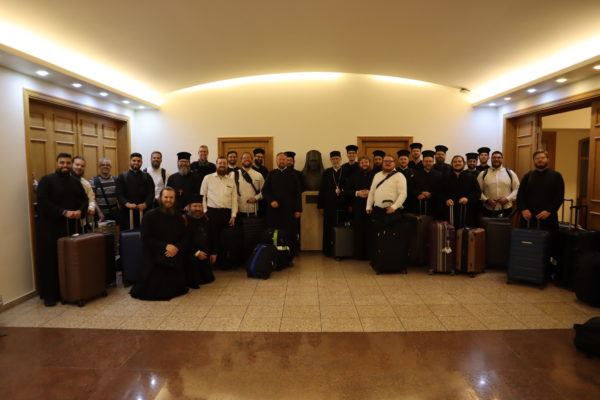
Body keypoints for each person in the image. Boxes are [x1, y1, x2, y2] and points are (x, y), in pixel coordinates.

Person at [36, 153, 88, 306]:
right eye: (62, 163)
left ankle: (72, 292)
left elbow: (84, 200)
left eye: (67, 163)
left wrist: (80, 211)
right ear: (57, 163)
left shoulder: (75, 182)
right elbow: (43, 202)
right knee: (51, 260)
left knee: (72, 260)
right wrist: (63, 212)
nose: (65, 166)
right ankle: (51, 295)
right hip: (51, 228)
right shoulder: (46, 180)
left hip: (71, 227)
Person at [130, 187, 188, 301]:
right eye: (166, 197)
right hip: (155, 254)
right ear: (160, 198)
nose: (168, 200)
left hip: (174, 254)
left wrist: (176, 248)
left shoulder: (179, 217)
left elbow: (185, 238)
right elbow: (145, 238)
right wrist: (165, 246)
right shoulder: (149, 216)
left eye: (171, 198)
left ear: (174, 199)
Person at [262, 152, 302, 255]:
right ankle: (274, 254)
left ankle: (289, 255)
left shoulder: (293, 174)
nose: (282, 161)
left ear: (286, 161)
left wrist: (298, 209)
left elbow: (298, 193)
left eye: (284, 159)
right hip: (274, 211)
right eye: (280, 159)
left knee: (289, 232)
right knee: (274, 233)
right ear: (276, 161)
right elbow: (265, 191)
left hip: (289, 210)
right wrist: (271, 201)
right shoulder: (271, 174)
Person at [200, 156, 238, 264]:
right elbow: (202, 196)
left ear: (227, 165)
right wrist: (205, 211)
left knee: (225, 238)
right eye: (220, 163)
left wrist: (233, 215)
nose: (222, 165)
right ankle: (212, 262)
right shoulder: (208, 178)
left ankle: (223, 262)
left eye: (224, 163)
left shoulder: (231, 180)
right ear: (216, 164)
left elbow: (234, 199)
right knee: (212, 237)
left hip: (227, 213)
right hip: (211, 212)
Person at [517, 150, 564, 232]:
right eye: (537, 158)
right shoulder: (527, 176)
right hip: (528, 217)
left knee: (549, 239)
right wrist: (523, 209)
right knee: (527, 239)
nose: (540, 160)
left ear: (547, 159)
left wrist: (549, 211)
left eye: (542, 158)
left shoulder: (556, 176)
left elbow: (559, 196)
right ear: (534, 160)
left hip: (549, 217)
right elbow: (520, 195)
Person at [318, 150, 349, 256]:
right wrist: (320, 206)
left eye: (337, 159)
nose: (335, 161)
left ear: (341, 159)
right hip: (328, 205)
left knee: (342, 227)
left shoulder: (346, 172)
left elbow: (350, 188)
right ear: (330, 160)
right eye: (333, 159)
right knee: (328, 228)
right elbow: (322, 190)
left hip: (343, 205)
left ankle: (341, 251)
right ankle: (328, 251)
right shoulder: (326, 173)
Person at [345, 156, 375, 259]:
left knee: (371, 230)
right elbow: (347, 191)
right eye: (362, 162)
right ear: (359, 164)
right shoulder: (354, 175)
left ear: (369, 163)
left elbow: (381, 189)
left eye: (366, 162)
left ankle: (370, 254)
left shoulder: (376, 175)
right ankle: (359, 254)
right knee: (358, 230)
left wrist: (370, 193)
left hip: (372, 207)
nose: (364, 164)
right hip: (357, 206)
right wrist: (358, 193)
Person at [366, 154, 407, 229]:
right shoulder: (377, 175)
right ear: (382, 162)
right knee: (377, 234)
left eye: (390, 161)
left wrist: (394, 207)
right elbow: (372, 192)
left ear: (394, 163)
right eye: (385, 161)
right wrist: (368, 206)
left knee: (391, 234)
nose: (387, 163)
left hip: (392, 211)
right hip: (377, 211)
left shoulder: (400, 176)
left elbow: (403, 194)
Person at [116, 153, 155, 229]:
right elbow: (119, 194)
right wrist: (127, 204)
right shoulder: (122, 176)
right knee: (128, 234)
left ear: (141, 162)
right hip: (127, 213)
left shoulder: (147, 176)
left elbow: (151, 193)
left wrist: (145, 204)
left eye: (139, 161)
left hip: (144, 212)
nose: (136, 162)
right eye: (134, 160)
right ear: (130, 161)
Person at [183, 194, 215, 289]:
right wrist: (196, 252)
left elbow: (212, 237)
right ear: (189, 207)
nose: (198, 209)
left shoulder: (206, 218)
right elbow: (183, 241)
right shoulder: (183, 219)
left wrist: (214, 252)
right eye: (195, 206)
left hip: (205, 252)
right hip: (190, 252)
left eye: (200, 206)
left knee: (208, 278)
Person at [441, 155, 481, 228]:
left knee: (464, 232)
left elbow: (477, 193)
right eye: (455, 162)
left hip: (466, 212)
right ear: (451, 164)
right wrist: (446, 199)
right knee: (450, 232)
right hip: (449, 211)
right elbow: (439, 192)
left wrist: (467, 198)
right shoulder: (445, 177)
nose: (457, 163)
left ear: (464, 163)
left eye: (459, 161)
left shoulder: (471, 177)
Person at [478, 151, 519, 218]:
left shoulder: (510, 173)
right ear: (491, 159)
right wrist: (487, 200)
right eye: (494, 157)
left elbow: (517, 189)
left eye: (499, 157)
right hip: (489, 209)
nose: (496, 159)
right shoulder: (483, 174)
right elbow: (477, 191)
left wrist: (507, 199)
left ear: (502, 159)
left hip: (506, 209)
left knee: (505, 225)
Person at [232, 152, 265, 216]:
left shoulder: (258, 175)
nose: (246, 159)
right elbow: (231, 192)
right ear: (241, 160)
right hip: (238, 209)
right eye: (244, 158)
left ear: (252, 160)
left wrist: (256, 198)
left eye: (248, 158)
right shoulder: (234, 174)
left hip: (253, 209)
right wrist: (234, 206)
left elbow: (264, 191)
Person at [413, 150, 443, 218]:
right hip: (419, 205)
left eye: (430, 161)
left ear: (433, 162)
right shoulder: (416, 174)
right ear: (423, 162)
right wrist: (421, 193)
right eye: (426, 161)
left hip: (434, 205)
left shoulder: (439, 175)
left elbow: (441, 190)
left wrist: (431, 194)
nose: (428, 163)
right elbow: (412, 189)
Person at [90, 158, 119, 222]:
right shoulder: (93, 181)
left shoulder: (116, 180)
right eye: (103, 165)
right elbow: (92, 199)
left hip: (114, 214)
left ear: (110, 167)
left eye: (108, 165)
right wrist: (99, 212)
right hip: (100, 215)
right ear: (99, 167)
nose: (105, 166)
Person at [71, 156, 96, 228]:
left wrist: (91, 208)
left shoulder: (86, 183)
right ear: (72, 165)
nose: (79, 167)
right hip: (66, 219)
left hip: (82, 220)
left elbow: (91, 199)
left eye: (82, 166)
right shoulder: (63, 181)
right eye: (77, 165)